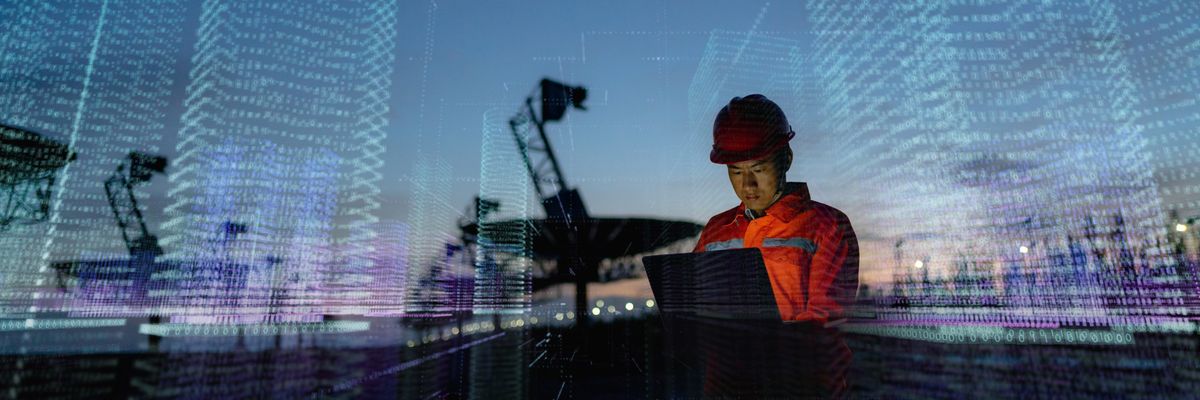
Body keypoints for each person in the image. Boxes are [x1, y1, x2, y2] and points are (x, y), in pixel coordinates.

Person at [693, 94, 860, 325]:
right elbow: (693, 307)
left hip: (799, 361)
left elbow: (825, 322)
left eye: (758, 169)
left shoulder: (827, 226)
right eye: (737, 172)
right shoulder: (715, 230)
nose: (748, 185)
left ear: (787, 159)